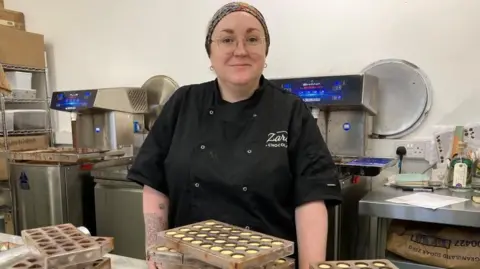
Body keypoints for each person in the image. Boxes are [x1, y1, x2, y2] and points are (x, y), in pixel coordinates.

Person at [128, 2, 342, 269]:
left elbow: (310, 200)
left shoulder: (290, 110)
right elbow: (154, 184)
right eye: (227, 39)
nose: (240, 50)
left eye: (252, 39)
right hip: (188, 264)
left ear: (265, 50)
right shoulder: (184, 102)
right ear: (210, 52)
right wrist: (154, 253)